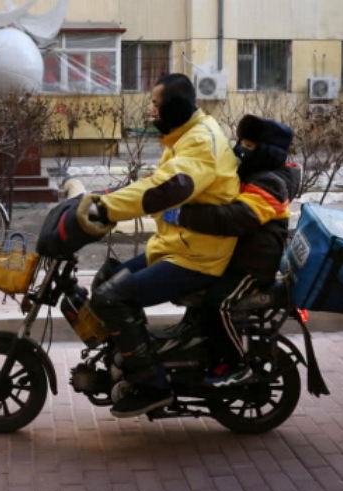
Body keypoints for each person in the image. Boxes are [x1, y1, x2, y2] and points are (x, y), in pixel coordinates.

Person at [75, 73, 240, 418]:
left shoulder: (200, 143)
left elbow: (164, 189)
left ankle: (152, 385)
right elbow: (154, 183)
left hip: (197, 256)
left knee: (112, 297)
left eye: (155, 103)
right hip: (176, 246)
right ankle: (136, 356)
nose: (151, 110)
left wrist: (106, 208)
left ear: (173, 107)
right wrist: (105, 197)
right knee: (108, 280)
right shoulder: (184, 137)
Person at [171, 114, 302, 387]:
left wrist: (185, 215)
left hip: (252, 267)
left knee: (219, 304)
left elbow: (234, 219)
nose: (240, 148)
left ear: (266, 151)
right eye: (240, 141)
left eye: (249, 145)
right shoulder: (250, 173)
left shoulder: (270, 183)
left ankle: (236, 364)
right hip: (233, 259)